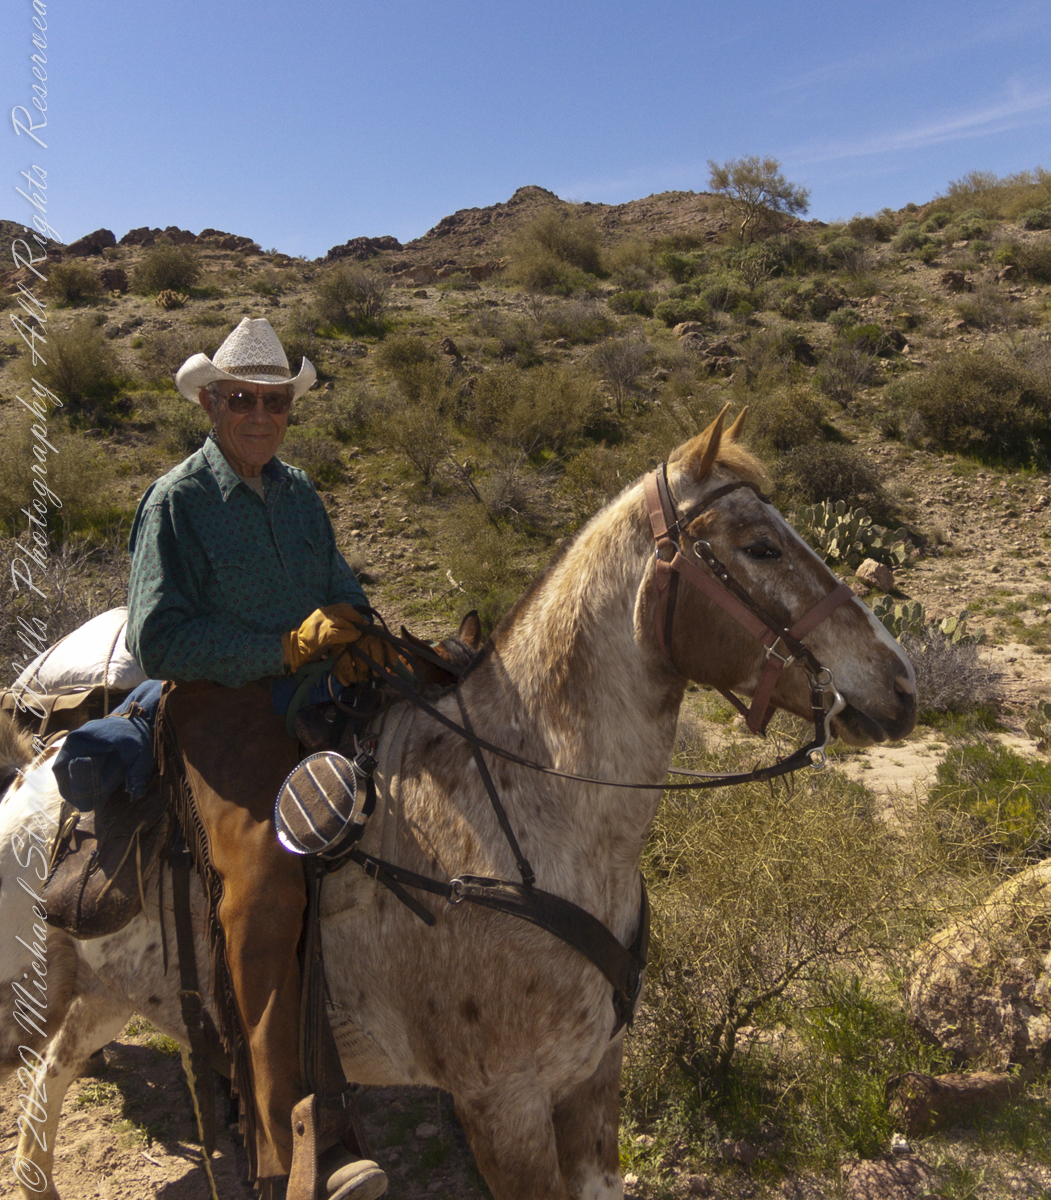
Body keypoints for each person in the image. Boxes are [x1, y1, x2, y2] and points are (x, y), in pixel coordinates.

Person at [127, 318, 391, 1200]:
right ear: (210, 403)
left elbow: (339, 580)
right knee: (268, 882)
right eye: (242, 399)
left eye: (275, 402)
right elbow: (157, 638)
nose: (260, 415)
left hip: (316, 695)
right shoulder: (176, 500)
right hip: (222, 709)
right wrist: (277, 649)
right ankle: (293, 1146)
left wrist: (351, 622)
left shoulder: (299, 490)